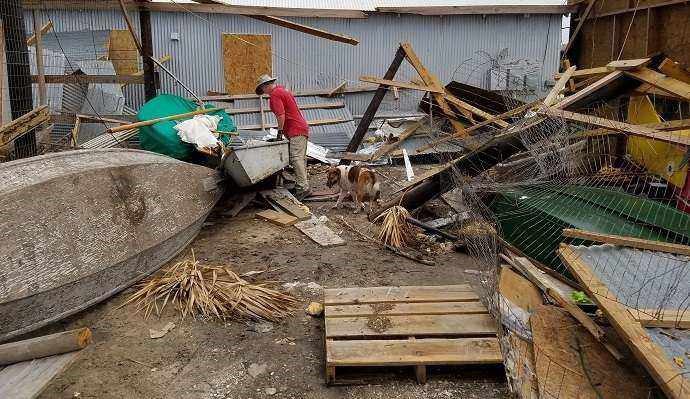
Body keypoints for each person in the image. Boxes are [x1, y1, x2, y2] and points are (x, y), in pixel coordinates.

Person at [255, 74, 310, 200]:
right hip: (300, 127)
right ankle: (303, 185)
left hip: (295, 129)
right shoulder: (282, 90)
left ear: (265, 86)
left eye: (263, 89)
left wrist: (279, 132)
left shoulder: (275, 94)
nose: (263, 92)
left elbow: (280, 115)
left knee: (296, 158)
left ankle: (303, 188)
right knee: (300, 158)